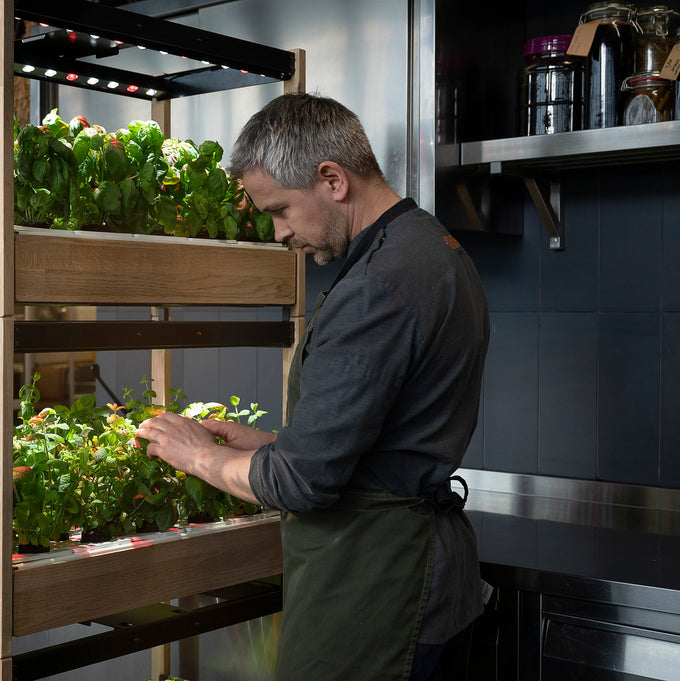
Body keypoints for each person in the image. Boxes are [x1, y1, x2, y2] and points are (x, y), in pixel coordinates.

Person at [135, 93, 489, 681]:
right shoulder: (433, 248)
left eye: (280, 210)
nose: (277, 234)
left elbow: (303, 482)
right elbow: (384, 432)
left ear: (332, 179)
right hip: (420, 570)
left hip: (376, 590)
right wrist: (267, 442)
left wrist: (199, 455)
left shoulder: (379, 285)